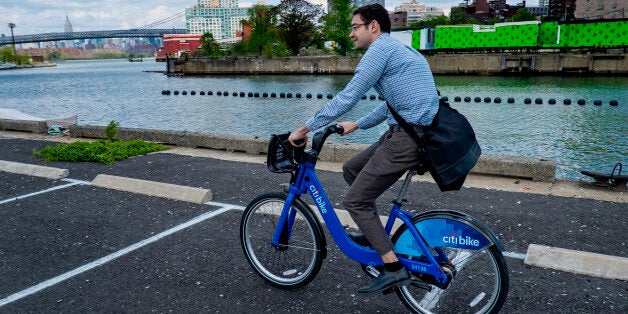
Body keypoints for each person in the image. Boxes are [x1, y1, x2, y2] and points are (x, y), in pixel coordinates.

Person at [288, 3, 440, 294]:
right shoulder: (400, 51)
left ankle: (392, 267)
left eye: (355, 26)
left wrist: (303, 128)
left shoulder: (380, 51)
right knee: (351, 168)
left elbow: (347, 97)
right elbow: (392, 104)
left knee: (354, 202)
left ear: (374, 26)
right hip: (409, 134)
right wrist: (357, 124)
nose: (351, 33)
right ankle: (375, 235)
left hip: (406, 140)